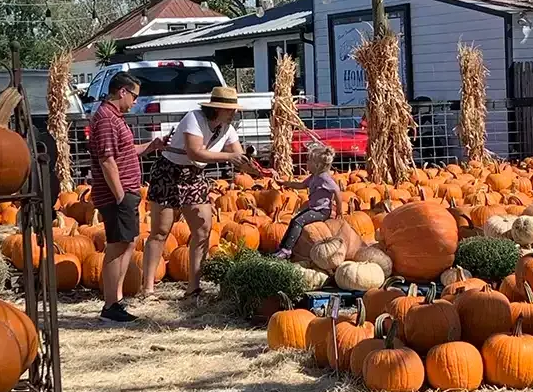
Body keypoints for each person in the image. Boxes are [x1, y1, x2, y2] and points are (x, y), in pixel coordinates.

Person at [142, 85, 253, 299]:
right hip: (169, 173)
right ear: (216, 108)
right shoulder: (194, 118)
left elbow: (238, 155)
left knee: (203, 229)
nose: (233, 113)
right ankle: (148, 289)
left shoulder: (227, 129)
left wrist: (252, 167)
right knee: (160, 231)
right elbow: (196, 151)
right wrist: (230, 158)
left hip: (195, 176)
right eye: (229, 109)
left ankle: (193, 288)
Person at [88, 71, 163, 325]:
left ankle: (116, 300)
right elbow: (107, 160)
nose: (135, 102)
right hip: (117, 195)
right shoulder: (107, 120)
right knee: (117, 247)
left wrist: (151, 147)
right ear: (122, 91)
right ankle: (110, 305)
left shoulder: (114, 118)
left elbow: (125, 152)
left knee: (127, 243)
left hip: (127, 192)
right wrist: (120, 195)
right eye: (134, 96)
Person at [273, 145, 342, 259]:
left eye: (308, 160)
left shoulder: (325, 178)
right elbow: (301, 185)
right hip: (314, 209)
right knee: (294, 220)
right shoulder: (314, 176)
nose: (307, 163)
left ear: (317, 165)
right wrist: (285, 183)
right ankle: (282, 247)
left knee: (298, 221)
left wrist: (340, 211)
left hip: (322, 211)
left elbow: (337, 190)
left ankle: (287, 250)